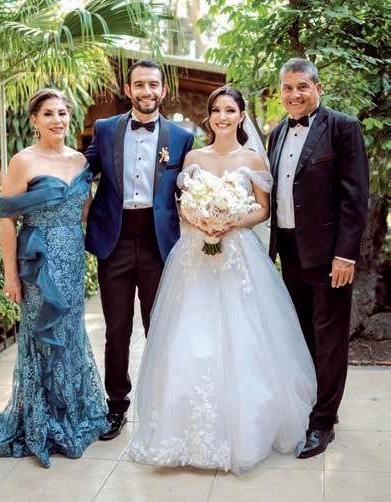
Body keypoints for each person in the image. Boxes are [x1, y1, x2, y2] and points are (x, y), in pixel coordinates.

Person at [129, 86, 317, 474]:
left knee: (244, 337)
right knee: (189, 337)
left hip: (237, 256)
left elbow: (262, 209)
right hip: (195, 256)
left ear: (241, 115)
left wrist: (230, 221)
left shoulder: (252, 158)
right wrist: (200, 220)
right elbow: (182, 205)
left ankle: (245, 431)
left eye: (229, 110)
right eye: (216, 110)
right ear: (209, 117)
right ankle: (181, 434)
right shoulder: (194, 157)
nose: (222, 117)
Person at [0, 89, 109, 468]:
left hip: (72, 258)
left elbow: (85, 211)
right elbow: (6, 220)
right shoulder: (23, 161)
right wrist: (11, 275)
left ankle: (70, 413)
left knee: (70, 332)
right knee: (41, 336)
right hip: (38, 262)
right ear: (34, 120)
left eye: (62, 113)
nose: (57, 120)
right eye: (48, 113)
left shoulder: (80, 160)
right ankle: (41, 421)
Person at [85, 60, 194, 440]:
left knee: (159, 327)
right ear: (128, 89)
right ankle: (117, 405)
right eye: (140, 85)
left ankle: (161, 403)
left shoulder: (181, 137)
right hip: (113, 241)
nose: (147, 91)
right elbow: (82, 171)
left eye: (153, 85)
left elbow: (189, 190)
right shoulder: (105, 128)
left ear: (163, 90)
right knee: (116, 330)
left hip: (158, 243)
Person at [268, 58, 369, 458]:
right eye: (288, 88)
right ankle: (314, 404)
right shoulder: (276, 133)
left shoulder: (343, 127)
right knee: (303, 336)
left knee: (329, 339)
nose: (294, 95)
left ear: (318, 88)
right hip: (289, 252)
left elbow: (355, 196)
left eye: (302, 87)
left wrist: (345, 255)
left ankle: (324, 421)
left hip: (329, 256)